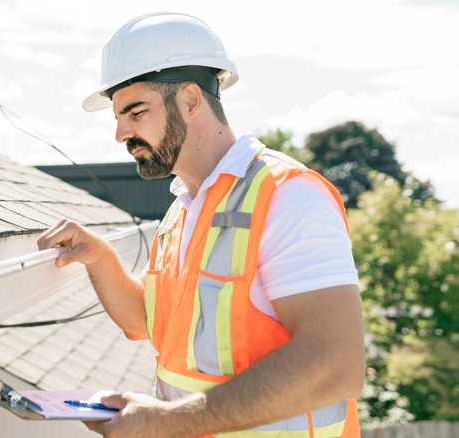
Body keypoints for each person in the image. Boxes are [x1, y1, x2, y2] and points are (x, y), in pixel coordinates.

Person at [37, 12, 365, 438]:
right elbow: (145, 322)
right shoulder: (183, 210)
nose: (120, 133)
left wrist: (164, 421)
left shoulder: (288, 196)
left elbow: (336, 364)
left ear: (191, 101)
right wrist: (99, 257)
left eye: (135, 112)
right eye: (118, 117)